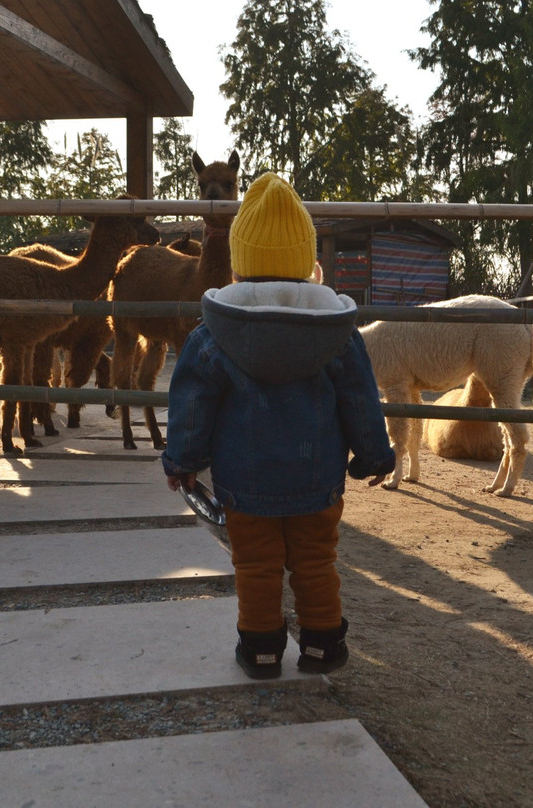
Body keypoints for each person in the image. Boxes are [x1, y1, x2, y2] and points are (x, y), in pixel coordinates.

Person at [161, 172, 396, 679]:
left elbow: (192, 405)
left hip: (244, 486)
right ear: (304, 260)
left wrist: (181, 461)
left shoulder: (213, 334)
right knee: (315, 561)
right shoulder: (338, 332)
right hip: (318, 482)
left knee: (256, 566)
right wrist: (375, 455)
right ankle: (321, 648)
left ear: (241, 262)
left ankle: (263, 651)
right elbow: (360, 402)